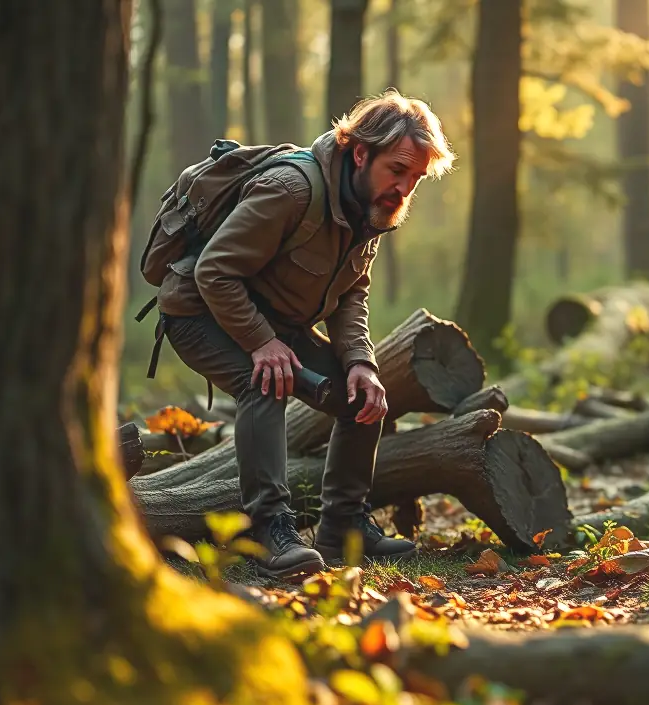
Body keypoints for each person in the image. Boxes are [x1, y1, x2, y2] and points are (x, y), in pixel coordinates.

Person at [153, 90, 455, 579]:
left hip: (275, 324)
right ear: (361, 152)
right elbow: (214, 273)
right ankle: (268, 529)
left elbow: (353, 292)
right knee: (263, 382)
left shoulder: (370, 209)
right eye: (397, 170)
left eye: (415, 178)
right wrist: (260, 343)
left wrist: (360, 362)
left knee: (365, 398)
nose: (404, 188)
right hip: (199, 312)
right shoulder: (290, 190)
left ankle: (343, 527)